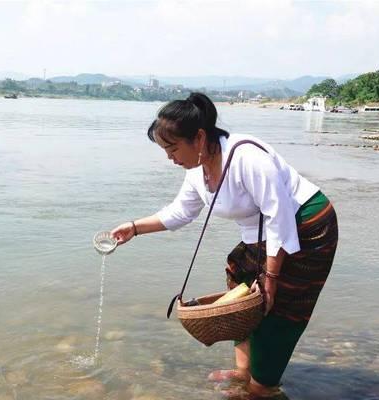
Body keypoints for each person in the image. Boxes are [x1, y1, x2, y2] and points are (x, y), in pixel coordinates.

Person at [111, 93, 338, 397]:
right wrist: (135, 228)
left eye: (173, 148)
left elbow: (278, 216)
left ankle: (262, 386)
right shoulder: (197, 170)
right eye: (165, 150)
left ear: (199, 137)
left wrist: (271, 279)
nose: (169, 157)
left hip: (306, 225)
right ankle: (244, 372)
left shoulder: (247, 157)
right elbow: (181, 212)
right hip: (264, 234)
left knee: (278, 308)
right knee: (241, 283)